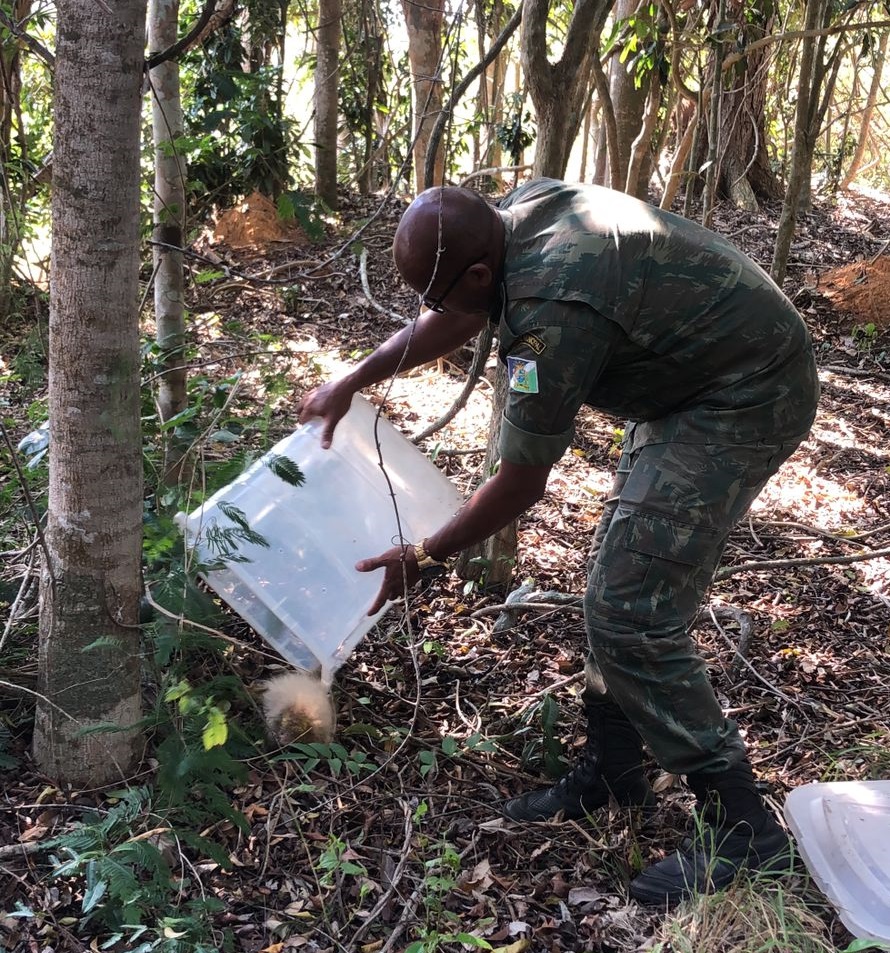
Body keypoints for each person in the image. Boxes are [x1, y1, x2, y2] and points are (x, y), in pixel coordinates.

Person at [297, 178, 820, 906]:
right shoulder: (515, 219)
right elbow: (454, 313)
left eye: (443, 292)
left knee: (631, 607)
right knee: (616, 584)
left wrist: (423, 555)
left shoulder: (551, 313)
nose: (440, 311)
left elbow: (520, 485)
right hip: (689, 382)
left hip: (744, 392)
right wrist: (357, 376)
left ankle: (745, 831)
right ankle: (615, 765)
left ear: (480, 273)